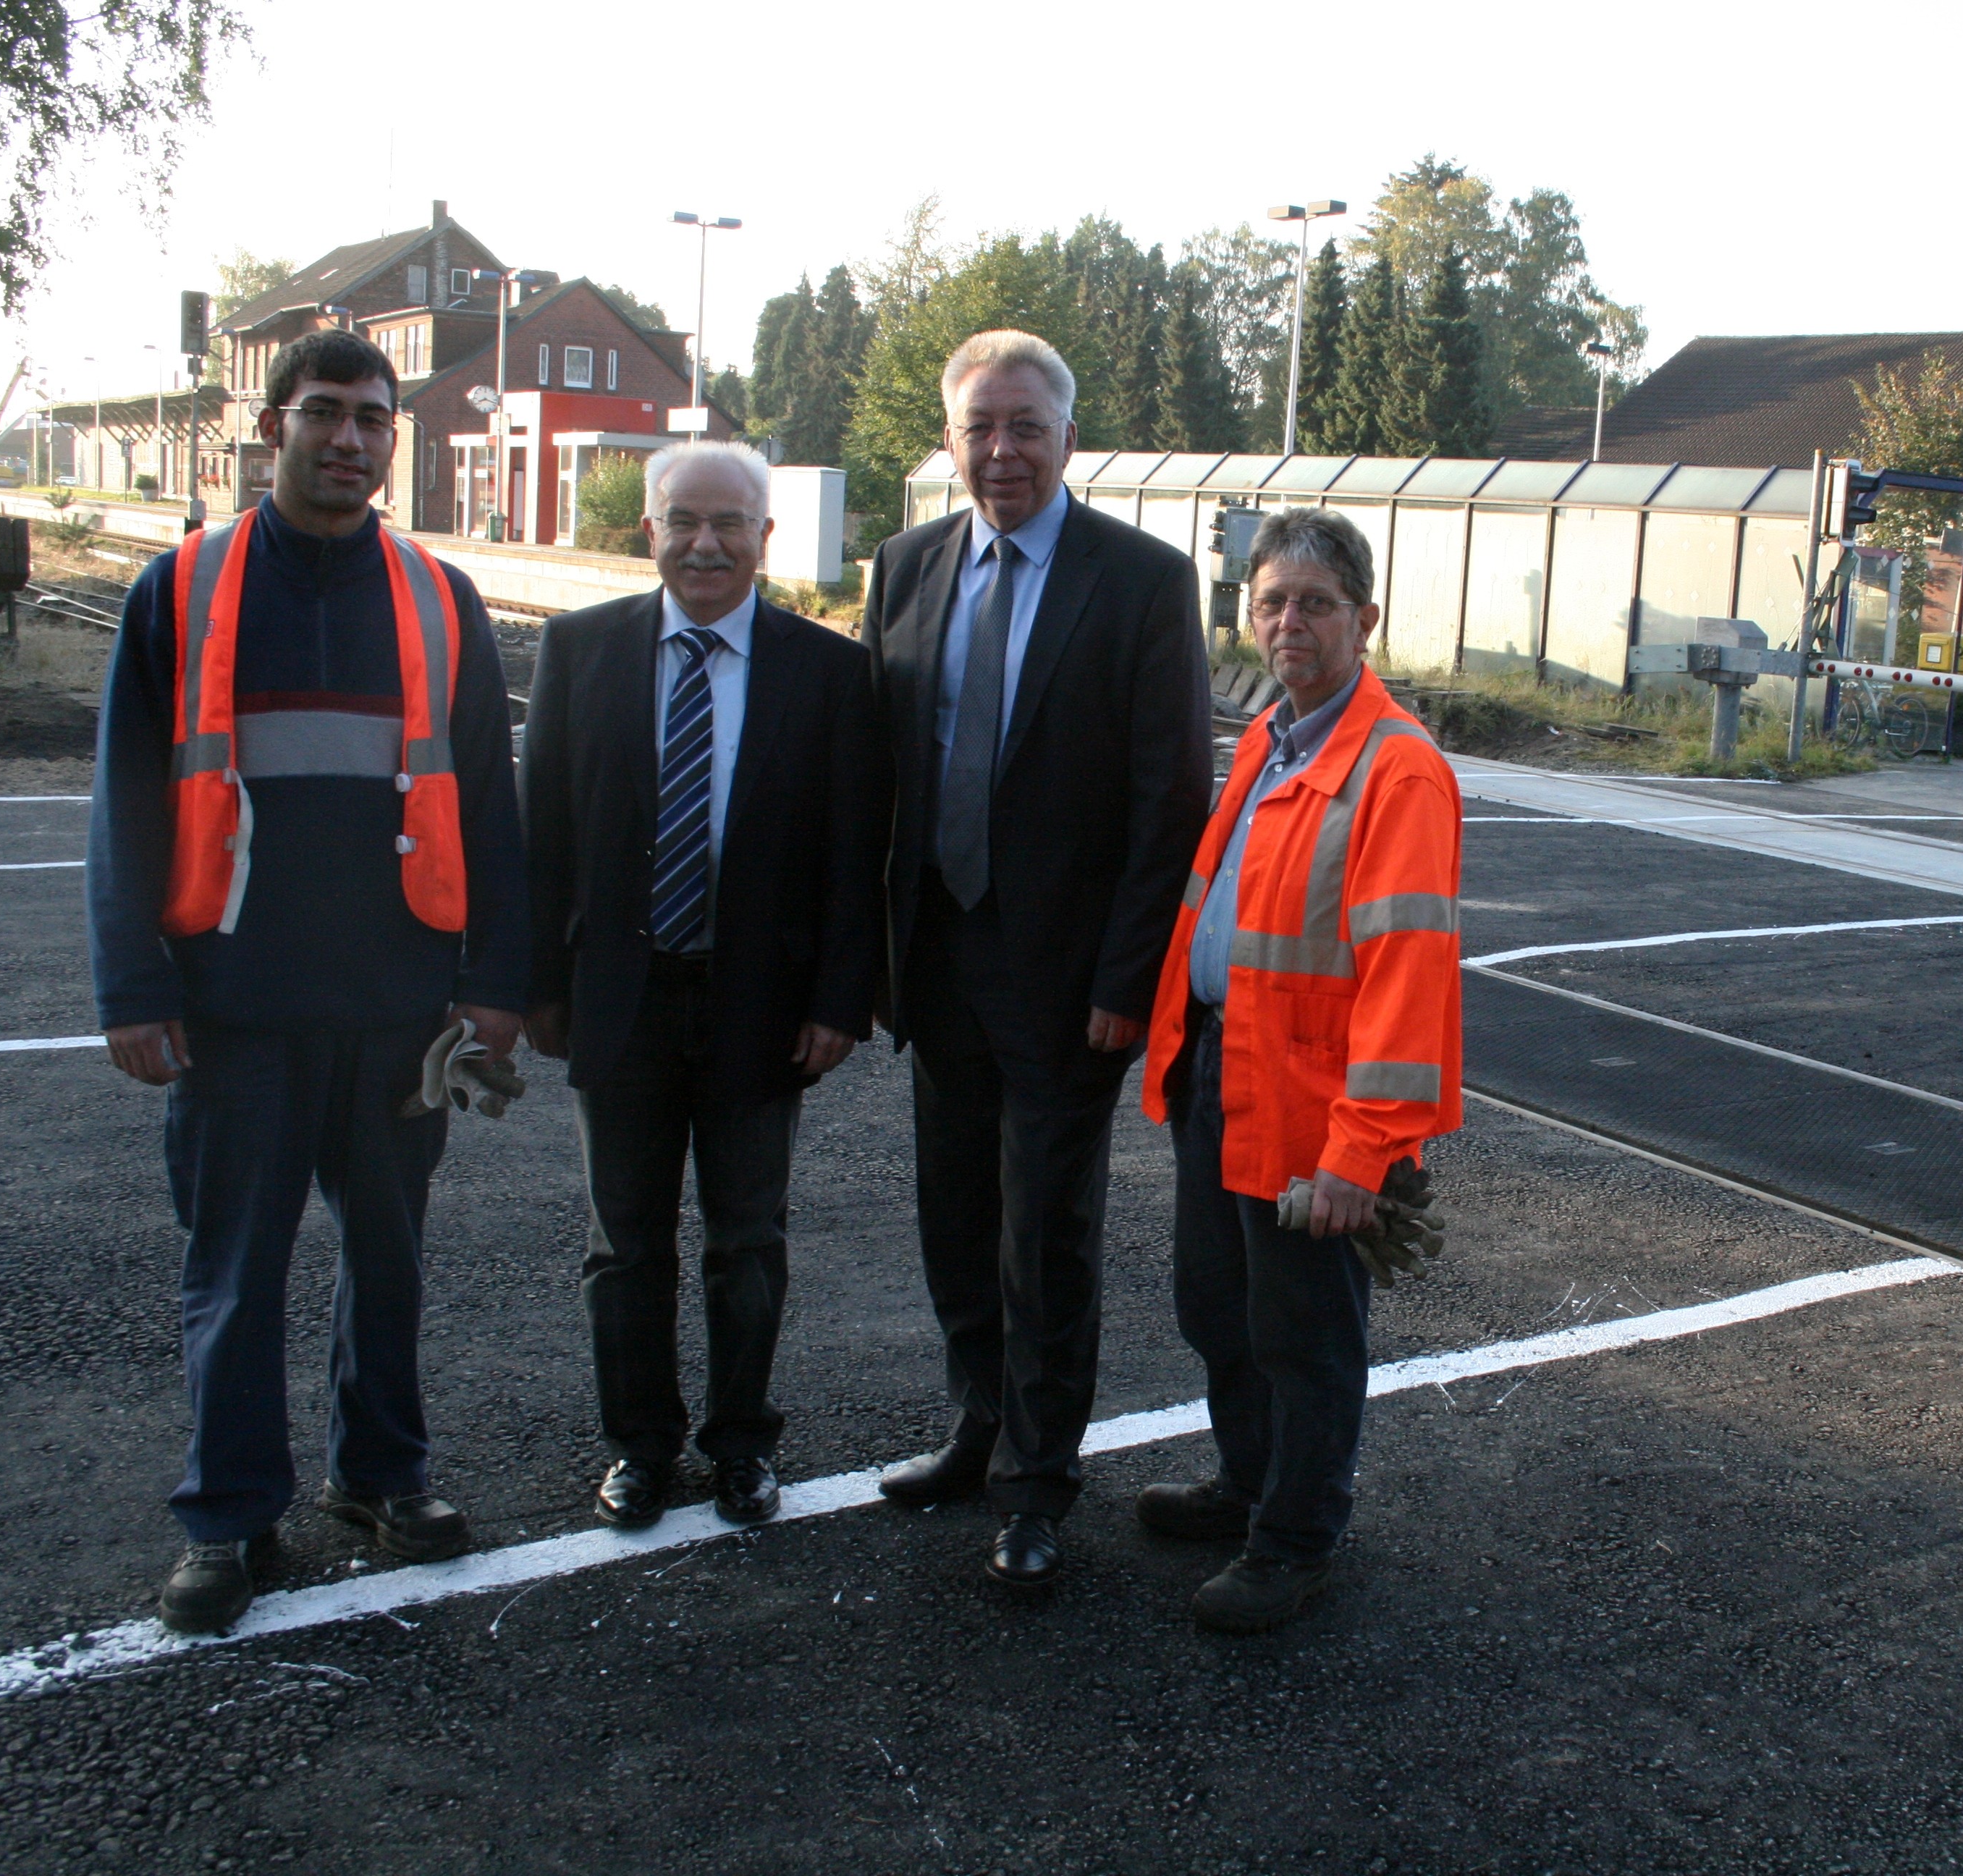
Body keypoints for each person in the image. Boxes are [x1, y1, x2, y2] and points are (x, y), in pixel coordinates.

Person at [86, 329, 529, 1634]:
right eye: (324, 414)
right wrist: (131, 984)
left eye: (373, 420)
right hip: (234, 1009)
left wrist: (495, 979)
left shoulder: (440, 599)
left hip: (400, 1010)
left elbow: (490, 807)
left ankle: (381, 1477)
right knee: (236, 1269)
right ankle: (228, 1520)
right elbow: (124, 800)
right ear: (271, 424)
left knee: (387, 1262)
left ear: (398, 440)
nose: (349, 440)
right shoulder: (183, 592)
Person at [861, 330, 1210, 1587]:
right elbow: (881, 782)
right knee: (954, 1212)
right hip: (938, 959)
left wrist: (1128, 981)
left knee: (1044, 1229)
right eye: (978, 428)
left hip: (1069, 982)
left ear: (1068, 438)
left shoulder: (1140, 581)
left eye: (1025, 426)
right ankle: (976, 1418)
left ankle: (1039, 1477)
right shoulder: (903, 568)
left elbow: (1167, 800)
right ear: (950, 441)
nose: (1001, 450)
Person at [518, 441, 889, 1531]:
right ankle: (637, 1448)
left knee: (747, 1241)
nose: (706, 543)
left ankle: (740, 1444)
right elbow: (543, 832)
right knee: (622, 1245)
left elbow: (851, 852)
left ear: (766, 540)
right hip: (618, 1001)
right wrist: (537, 984)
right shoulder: (580, 651)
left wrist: (836, 999)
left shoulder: (826, 673)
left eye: (730, 523)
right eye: (684, 520)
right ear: (649, 531)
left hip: (758, 1008)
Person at [1136, 507, 1464, 1633]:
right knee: (1216, 1308)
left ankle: (1297, 1538)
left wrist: (1362, 1151)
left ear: (1364, 621)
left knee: (1306, 1336)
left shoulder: (1395, 768)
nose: (1290, 623)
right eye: (1273, 601)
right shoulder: (1274, 741)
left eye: (1316, 604)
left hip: (1312, 1102)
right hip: (1223, 1073)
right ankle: (1248, 1484)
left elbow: (1406, 981)